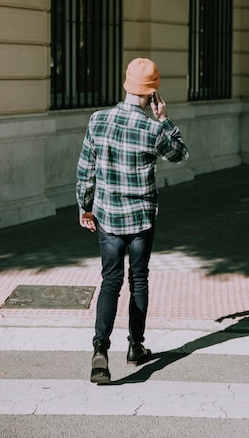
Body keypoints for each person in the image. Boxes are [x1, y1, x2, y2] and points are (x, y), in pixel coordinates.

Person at [76, 57, 189, 383]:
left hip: (107, 218)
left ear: (126, 84)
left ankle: (100, 349)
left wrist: (85, 207)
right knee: (138, 279)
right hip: (140, 220)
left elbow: (85, 171)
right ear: (153, 91)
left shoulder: (97, 120)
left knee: (110, 281)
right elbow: (181, 154)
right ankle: (135, 346)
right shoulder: (153, 129)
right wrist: (165, 120)